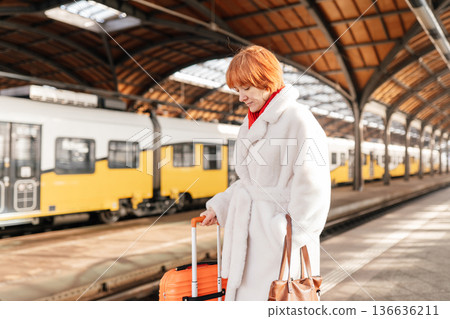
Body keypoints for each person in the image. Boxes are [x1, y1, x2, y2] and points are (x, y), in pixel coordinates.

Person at [200, 45, 331, 301]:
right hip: (250, 239)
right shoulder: (248, 124)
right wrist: (221, 206)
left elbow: (314, 186)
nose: (240, 97)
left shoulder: (299, 119)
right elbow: (248, 184)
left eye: (246, 88)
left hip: (279, 245)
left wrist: (287, 233)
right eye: (237, 90)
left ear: (267, 81)